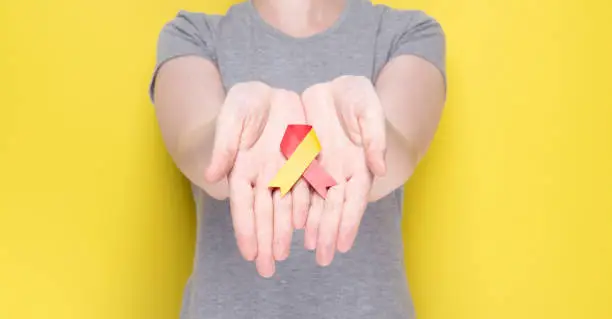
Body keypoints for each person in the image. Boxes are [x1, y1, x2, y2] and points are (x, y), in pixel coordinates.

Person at [150, 0, 446, 317]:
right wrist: (233, 136)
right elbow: (192, 146)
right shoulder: (193, 35)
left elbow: (402, 150)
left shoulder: (409, 33)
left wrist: (365, 137)